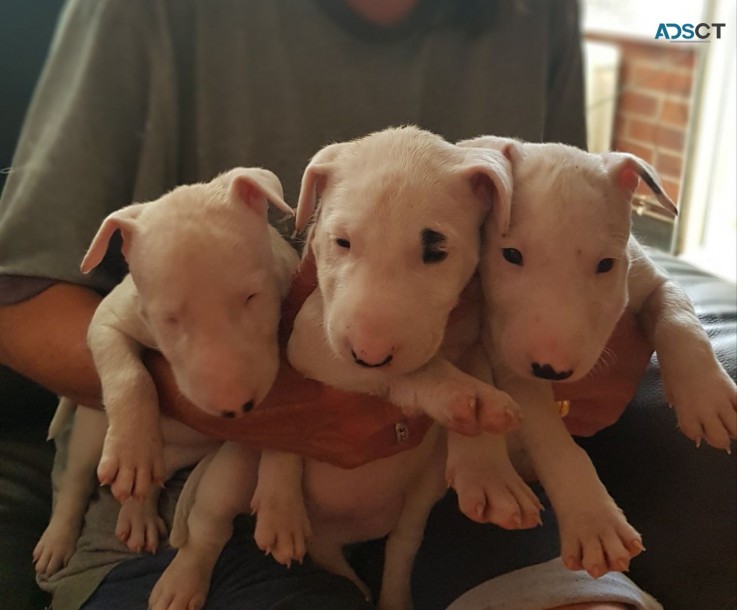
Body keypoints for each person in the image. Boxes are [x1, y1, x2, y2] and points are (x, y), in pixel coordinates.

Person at [0, 0, 680, 608]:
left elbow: (573, 228)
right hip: (201, 487)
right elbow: (17, 296)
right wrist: (264, 413)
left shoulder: (536, 14)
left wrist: (617, 347)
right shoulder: (143, 15)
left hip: (451, 482)